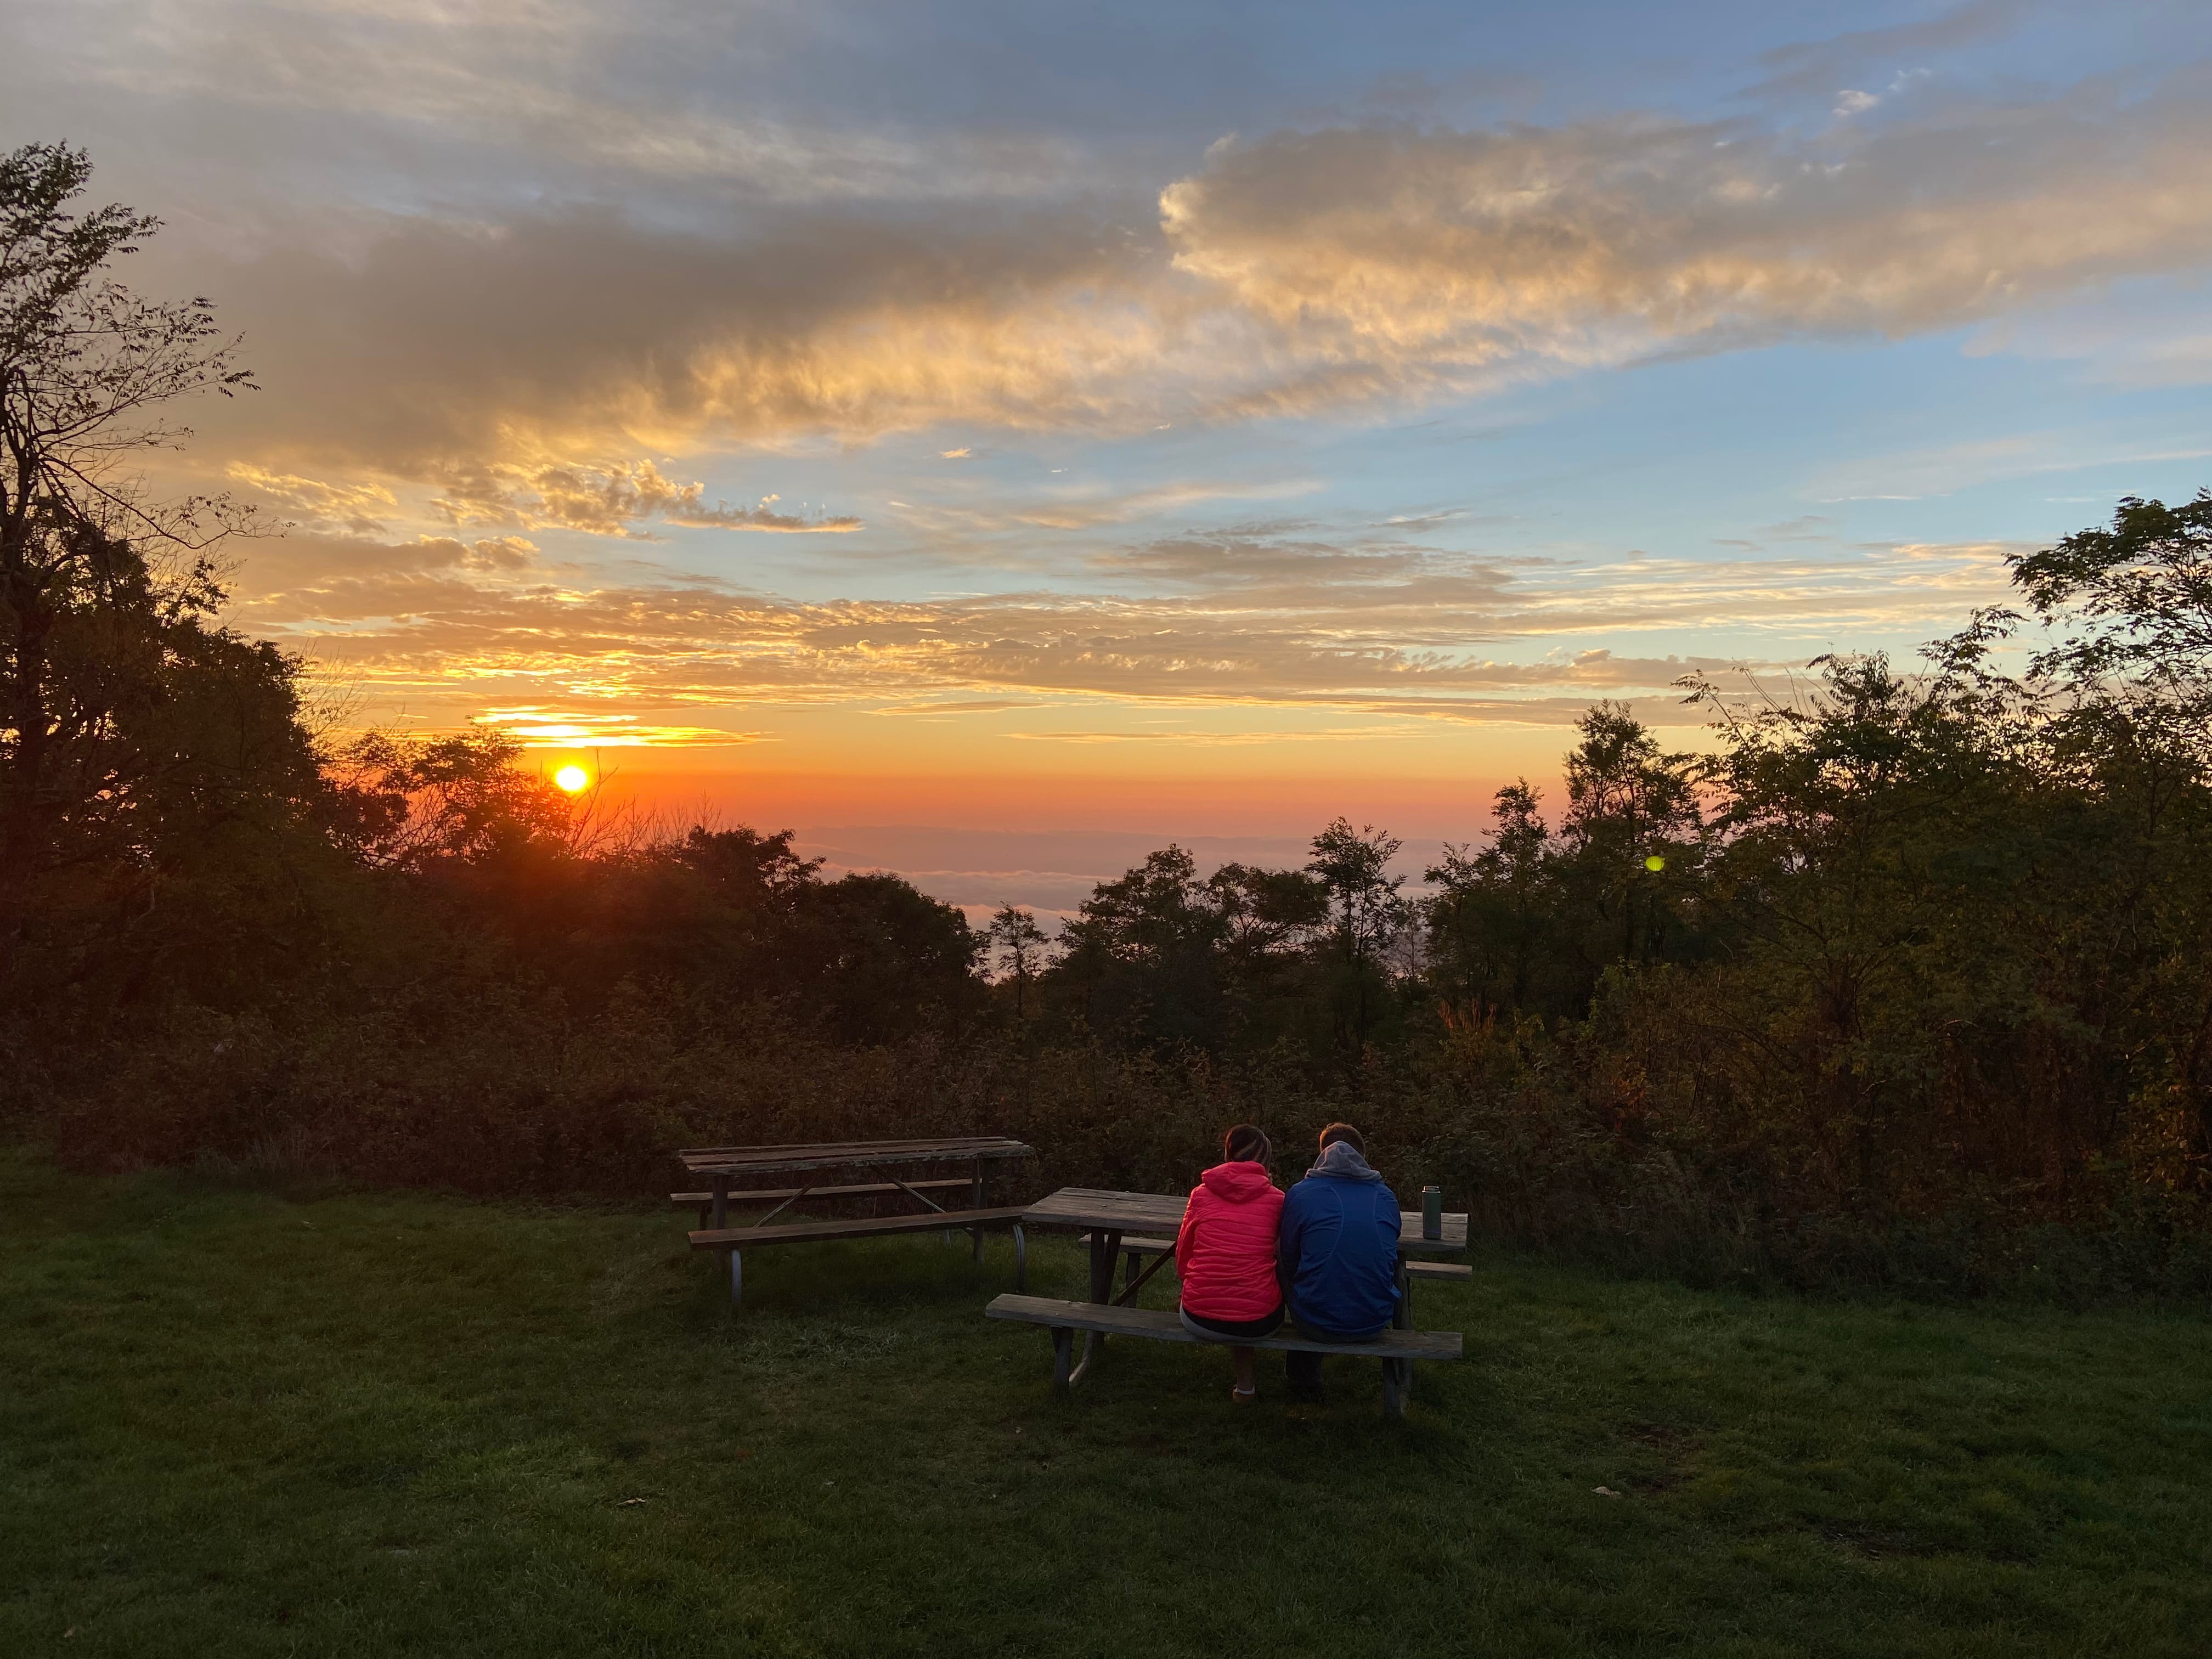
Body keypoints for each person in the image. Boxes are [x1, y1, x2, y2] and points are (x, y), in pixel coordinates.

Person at [1277, 1122, 1402, 1401]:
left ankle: (1302, 1376)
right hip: (1376, 1320)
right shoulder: (1386, 1196)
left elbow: (1288, 1257)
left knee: (1283, 1263)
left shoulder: (1301, 1194)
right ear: (1363, 1157)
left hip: (1314, 1322)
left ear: (1322, 1154)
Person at [1175, 1123, 1285, 1404]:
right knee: (1250, 1298)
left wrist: (1192, 1285)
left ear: (1227, 1155)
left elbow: (1183, 1255)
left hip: (1198, 1314)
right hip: (1260, 1320)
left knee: (1237, 1297)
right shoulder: (1278, 1201)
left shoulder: (1200, 1194)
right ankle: (1247, 1387)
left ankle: (1245, 1388)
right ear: (1266, 1162)